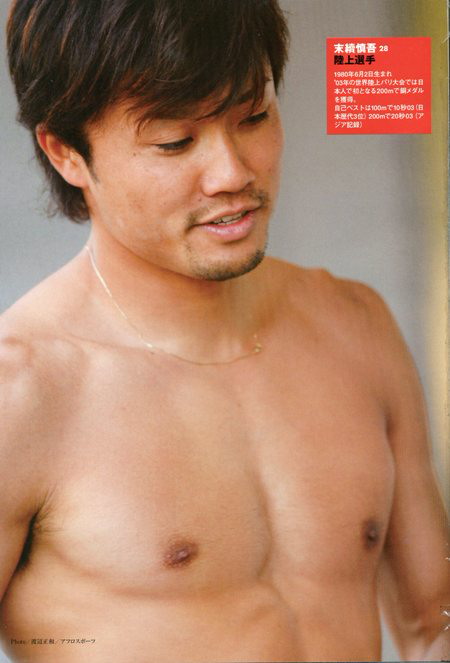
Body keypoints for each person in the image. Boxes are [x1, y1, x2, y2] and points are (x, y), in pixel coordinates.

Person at [0, 1, 448, 661]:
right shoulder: (23, 389)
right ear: (66, 152)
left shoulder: (355, 324)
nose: (233, 172)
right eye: (174, 142)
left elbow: (432, 620)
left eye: (253, 117)